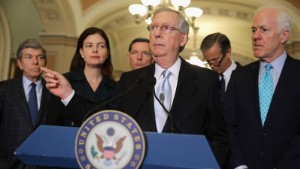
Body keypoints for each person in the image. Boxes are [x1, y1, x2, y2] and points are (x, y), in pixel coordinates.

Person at [41, 8, 229, 167]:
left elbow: (219, 138)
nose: (156, 33)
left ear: (182, 39)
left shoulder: (206, 80)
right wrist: (68, 94)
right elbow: (101, 118)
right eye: (153, 27)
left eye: (165, 28)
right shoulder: (132, 80)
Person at [224, 6, 300, 169]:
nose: (255, 36)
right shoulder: (239, 77)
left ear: (284, 35)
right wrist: (239, 164)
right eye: (253, 30)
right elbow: (228, 126)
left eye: (264, 30)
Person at [46, 27, 117, 127]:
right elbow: (52, 125)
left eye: (101, 46)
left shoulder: (117, 88)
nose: (95, 50)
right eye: (89, 46)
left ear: (107, 53)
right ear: (81, 52)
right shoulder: (64, 82)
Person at [0, 39, 50, 169]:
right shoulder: (4, 90)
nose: (35, 62)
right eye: (29, 57)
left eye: (40, 57)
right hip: (9, 163)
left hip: (43, 164)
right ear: (19, 63)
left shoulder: (54, 93)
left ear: (45, 62)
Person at [200, 32, 240, 100]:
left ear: (228, 53)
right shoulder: (206, 80)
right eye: (208, 61)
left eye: (215, 60)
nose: (212, 66)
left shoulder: (246, 77)